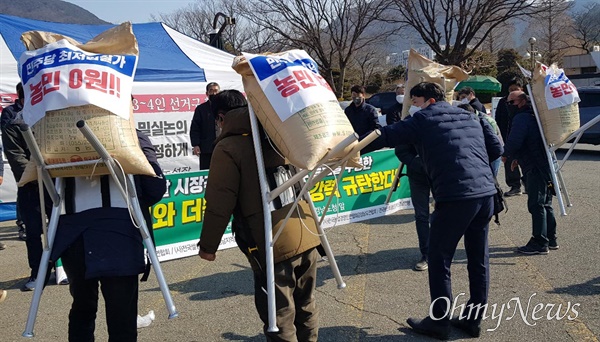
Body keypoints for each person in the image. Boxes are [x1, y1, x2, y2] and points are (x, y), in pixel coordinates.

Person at [368, 82, 503, 339]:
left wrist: (347, 150)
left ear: (428, 101)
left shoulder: (422, 120)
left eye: (415, 102)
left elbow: (383, 136)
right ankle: (473, 320)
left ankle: (439, 321)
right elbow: (497, 149)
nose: (413, 107)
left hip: (455, 196)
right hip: (486, 194)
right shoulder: (470, 115)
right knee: (478, 259)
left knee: (439, 258)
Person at [197, 90, 321, 342]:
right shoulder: (277, 134)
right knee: (306, 304)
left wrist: (208, 246)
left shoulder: (229, 147)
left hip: (269, 239)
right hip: (305, 228)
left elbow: (220, 202)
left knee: (279, 314)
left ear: (221, 118)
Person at [49, 130, 166, 341]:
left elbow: (44, 196)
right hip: (119, 233)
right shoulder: (130, 134)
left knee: (82, 309)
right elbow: (154, 187)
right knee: (122, 317)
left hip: (75, 235)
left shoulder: (58, 138)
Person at [0, 82, 55, 290]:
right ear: (23, 98)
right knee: (33, 232)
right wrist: (37, 175)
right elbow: (16, 157)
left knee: (63, 226)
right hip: (30, 185)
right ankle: (38, 274)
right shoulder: (11, 119)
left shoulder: (48, 113)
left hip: (55, 182)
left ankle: (62, 269)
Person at [502, 91, 557, 255]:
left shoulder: (521, 118)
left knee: (536, 203)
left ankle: (539, 242)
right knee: (546, 203)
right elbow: (531, 141)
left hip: (534, 166)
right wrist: (517, 158)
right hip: (544, 164)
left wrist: (505, 154)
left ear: (520, 102)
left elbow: (514, 141)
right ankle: (551, 238)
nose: (508, 105)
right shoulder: (535, 116)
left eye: (510, 102)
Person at [457, 103, 504, 178]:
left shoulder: (485, 121)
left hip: (491, 155)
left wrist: (484, 160)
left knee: (491, 179)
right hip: (482, 156)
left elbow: (496, 145)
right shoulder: (471, 122)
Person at [495, 79, 525, 196]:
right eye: (510, 90)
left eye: (515, 89)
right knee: (509, 161)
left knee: (526, 161)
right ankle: (515, 186)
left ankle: (528, 183)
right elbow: (498, 119)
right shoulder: (503, 102)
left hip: (523, 137)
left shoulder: (527, 101)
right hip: (507, 136)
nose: (512, 92)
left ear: (521, 89)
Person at [190, 82, 220, 170]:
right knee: (206, 173)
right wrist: (195, 144)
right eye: (211, 91)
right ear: (207, 94)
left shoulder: (225, 107)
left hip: (222, 146)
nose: (214, 93)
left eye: (216, 91)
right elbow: (195, 128)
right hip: (206, 148)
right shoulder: (201, 109)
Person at [344, 85, 381, 153]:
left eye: (358, 94)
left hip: (366, 144)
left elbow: (375, 128)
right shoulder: (348, 110)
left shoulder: (370, 110)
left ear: (363, 95)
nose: (356, 97)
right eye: (354, 95)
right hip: (350, 144)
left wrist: (362, 139)